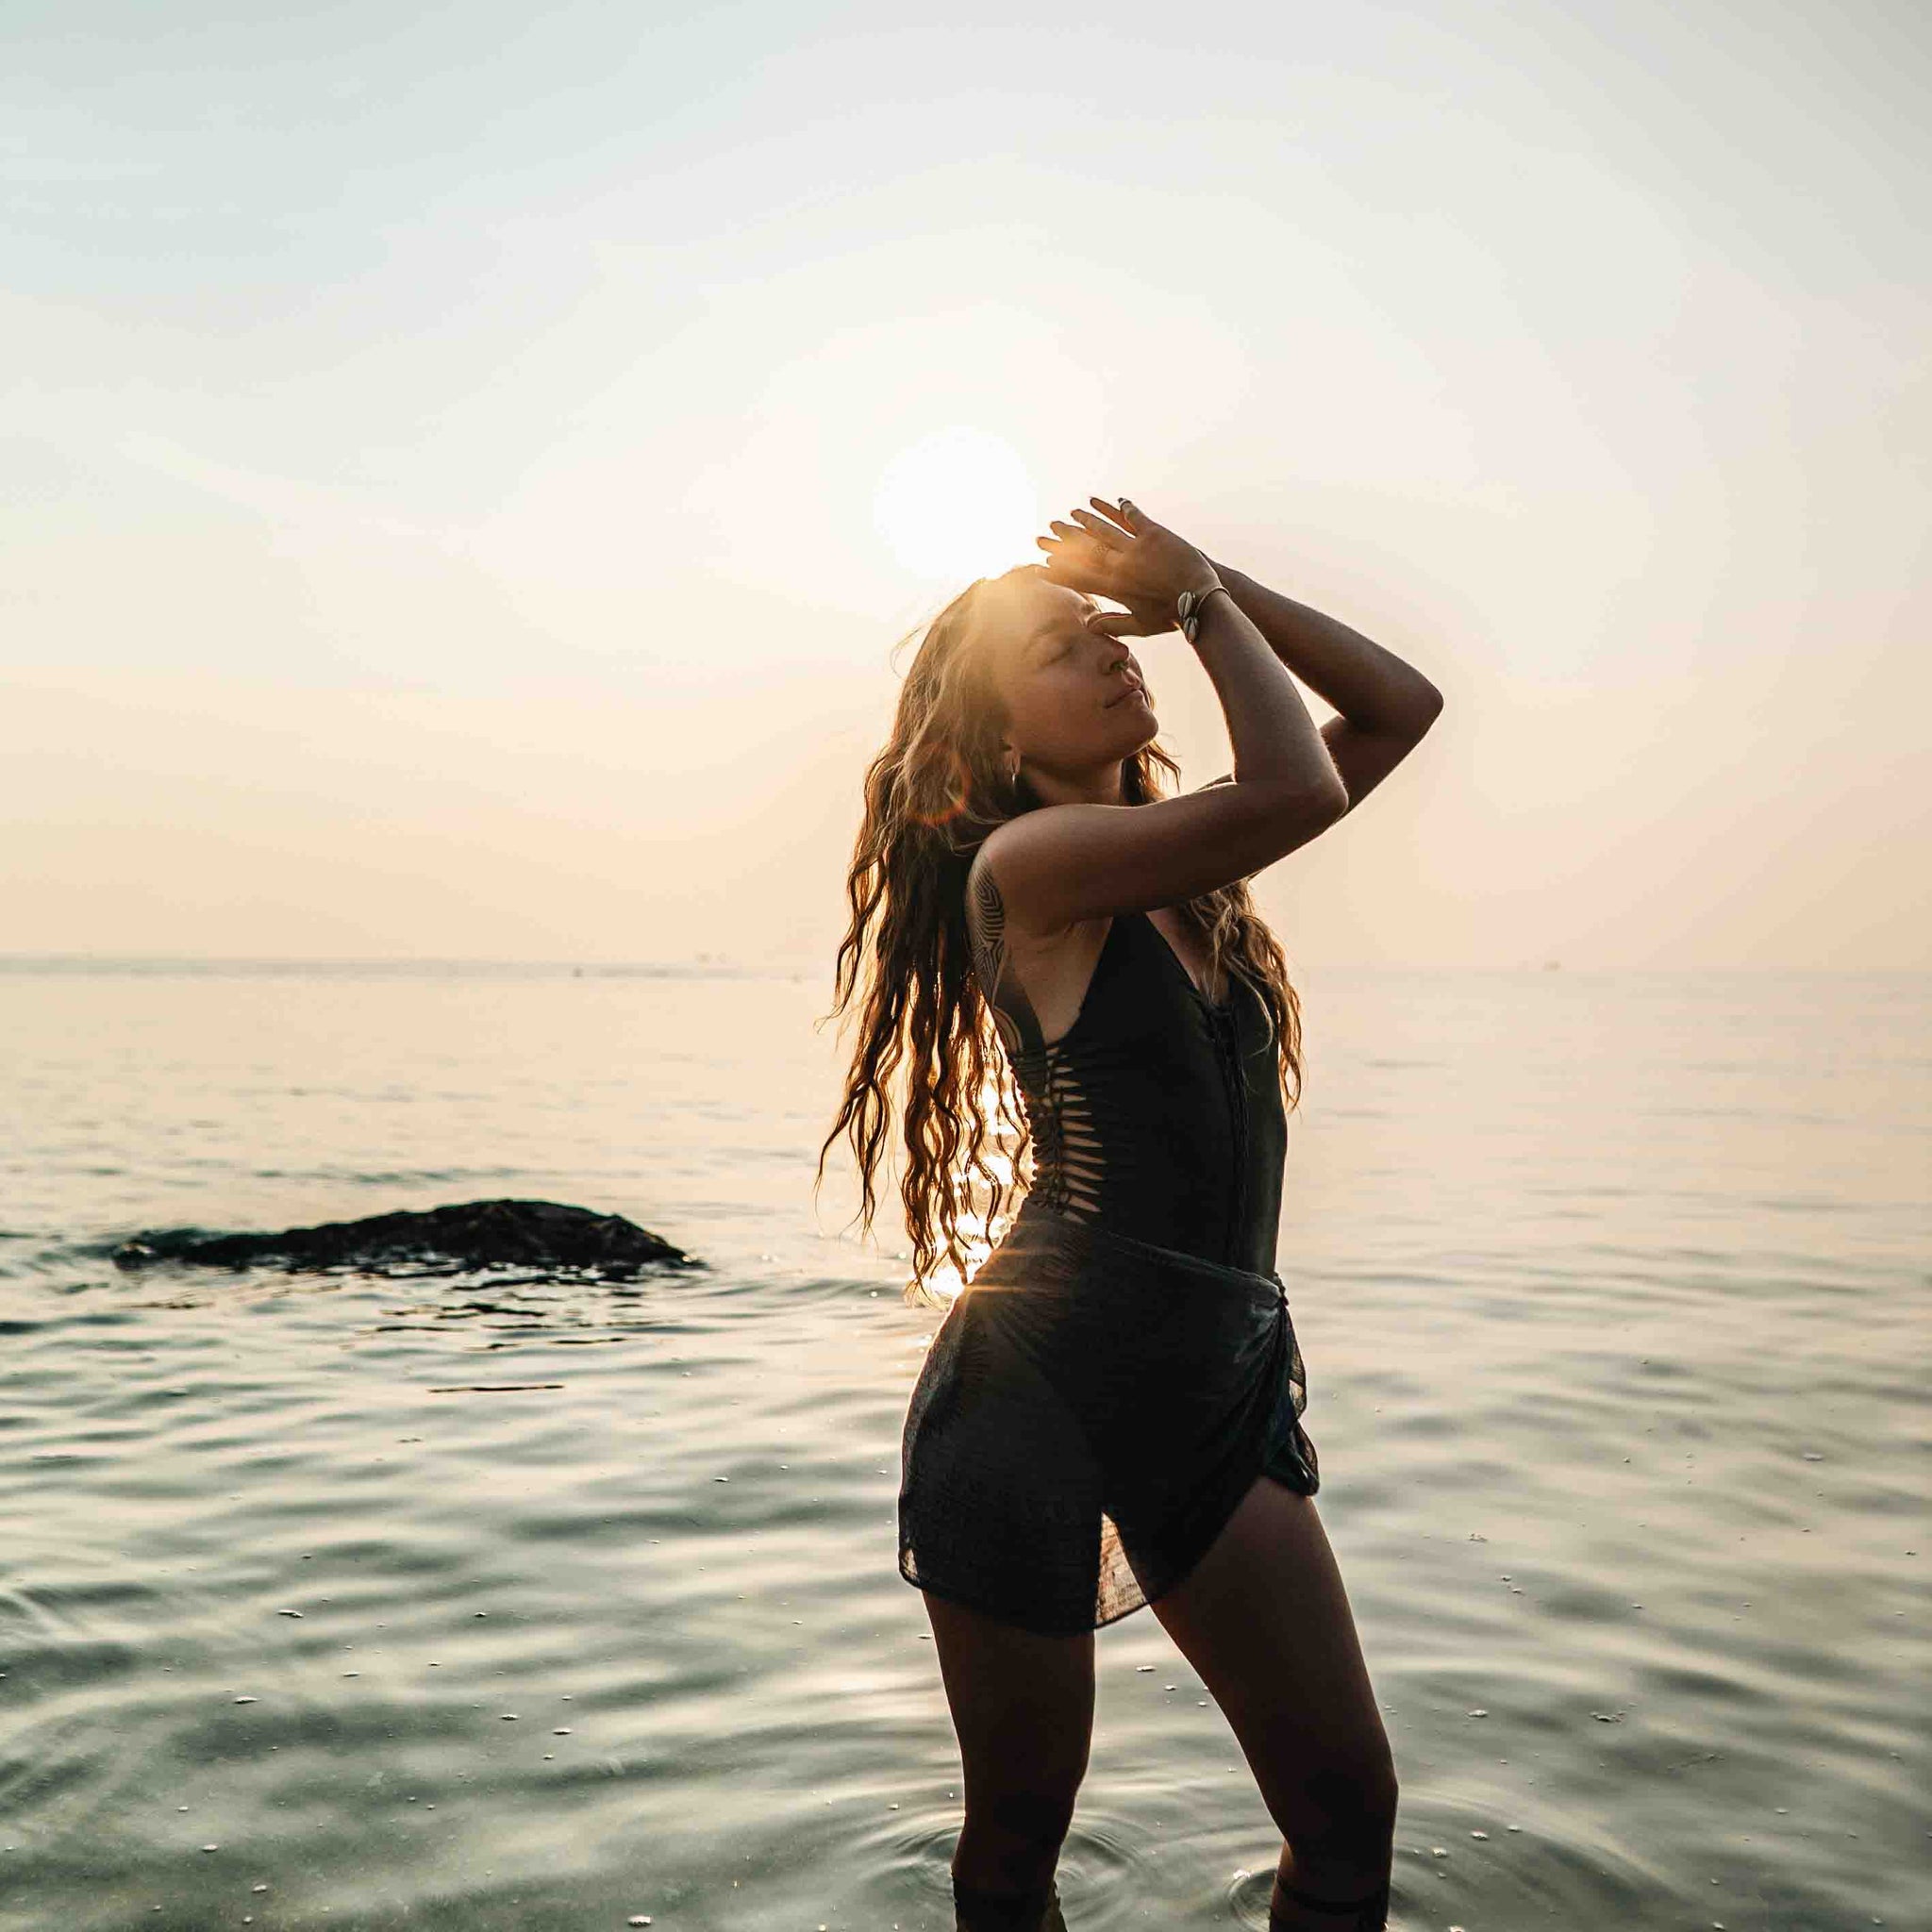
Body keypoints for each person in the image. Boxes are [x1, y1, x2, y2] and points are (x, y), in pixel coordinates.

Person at [816, 495, 1443, 1931]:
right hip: (1035, 1396)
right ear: (996, 743)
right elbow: (1299, 787)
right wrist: (1200, 600)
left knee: (1348, 1814)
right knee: (1017, 1841)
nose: (1113, 652)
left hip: (1216, 1380)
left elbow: (1399, 710)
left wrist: (1221, 589)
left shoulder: (1184, 871)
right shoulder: (1030, 869)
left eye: (1114, 631)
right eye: (1063, 649)